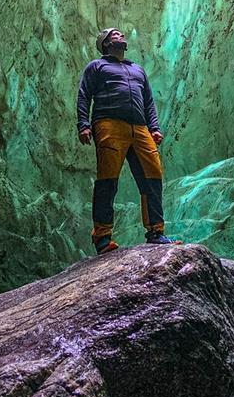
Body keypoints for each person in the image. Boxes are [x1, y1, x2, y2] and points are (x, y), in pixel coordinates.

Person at [77, 27, 183, 254]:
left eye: (120, 34)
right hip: (108, 123)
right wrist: (83, 124)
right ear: (105, 43)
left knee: (153, 175)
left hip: (140, 127)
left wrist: (154, 127)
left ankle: (156, 231)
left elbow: (148, 101)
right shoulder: (97, 66)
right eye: (114, 34)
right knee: (108, 179)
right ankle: (102, 237)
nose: (120, 35)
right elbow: (84, 94)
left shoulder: (137, 70)